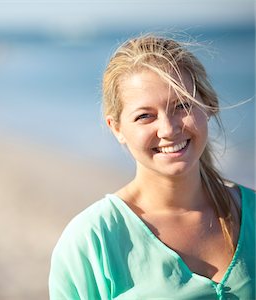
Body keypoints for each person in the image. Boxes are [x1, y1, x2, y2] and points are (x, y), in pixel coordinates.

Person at [48, 34, 255, 299]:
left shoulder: (251, 214)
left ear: (208, 105)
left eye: (182, 105)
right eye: (145, 116)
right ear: (117, 128)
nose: (169, 129)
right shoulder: (92, 240)